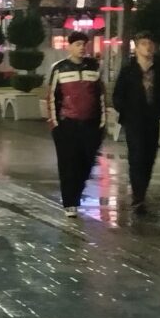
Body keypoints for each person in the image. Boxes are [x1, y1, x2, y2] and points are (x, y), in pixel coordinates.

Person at [112, 32, 160, 215]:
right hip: (134, 122)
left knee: (149, 158)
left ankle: (141, 191)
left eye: (150, 43)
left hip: (153, 121)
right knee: (136, 157)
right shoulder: (128, 71)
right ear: (137, 47)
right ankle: (138, 197)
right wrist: (127, 112)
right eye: (143, 43)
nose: (148, 47)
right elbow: (118, 96)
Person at [46, 31, 105, 218]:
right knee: (68, 164)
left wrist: (102, 122)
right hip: (67, 125)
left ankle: (77, 193)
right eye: (78, 44)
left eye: (84, 44)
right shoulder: (60, 69)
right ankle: (70, 202)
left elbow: (101, 96)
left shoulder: (93, 67)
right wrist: (55, 125)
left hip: (90, 125)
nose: (82, 48)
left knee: (86, 163)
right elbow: (52, 97)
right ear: (69, 46)